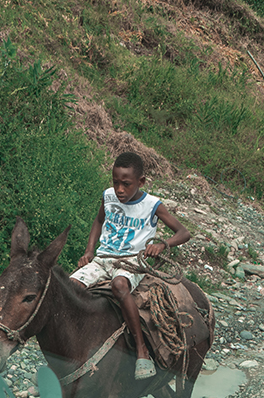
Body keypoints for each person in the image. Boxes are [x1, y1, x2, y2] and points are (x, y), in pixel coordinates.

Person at [71, 152, 190, 380]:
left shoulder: (152, 205)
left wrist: (163, 245)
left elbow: (184, 232)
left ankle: (141, 350)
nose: (120, 190)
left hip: (132, 260)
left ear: (141, 182)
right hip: (103, 258)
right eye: (116, 183)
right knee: (70, 285)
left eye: (126, 184)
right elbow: (98, 221)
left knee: (119, 285)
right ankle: (66, 354)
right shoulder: (108, 197)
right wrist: (89, 250)